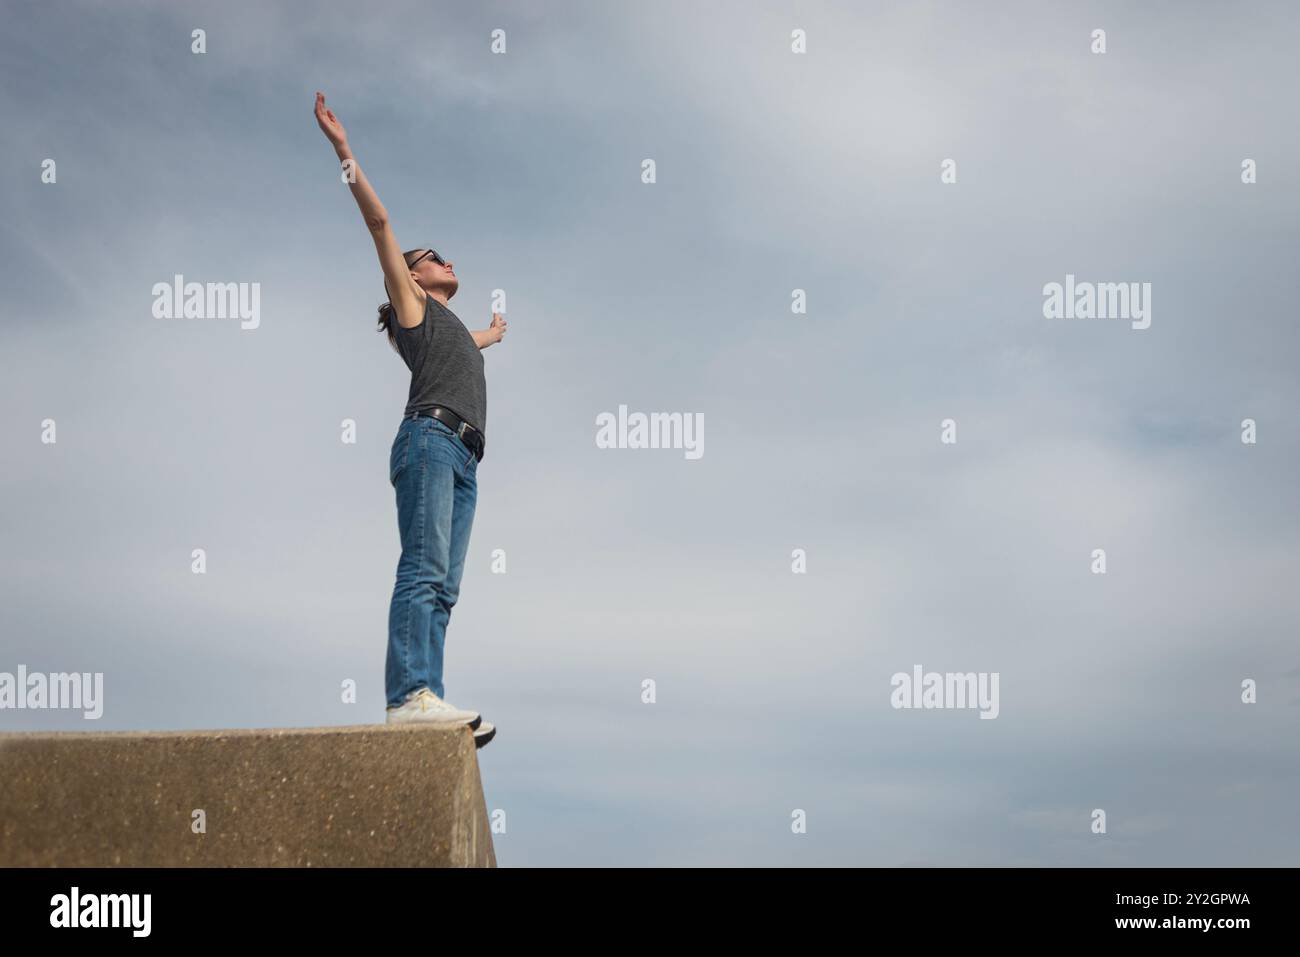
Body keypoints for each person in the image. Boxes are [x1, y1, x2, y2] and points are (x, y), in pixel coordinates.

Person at [314, 92, 506, 748]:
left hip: (463, 453)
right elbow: (379, 223)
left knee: (446, 587)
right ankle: (407, 697)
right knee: (423, 567)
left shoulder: (447, 326)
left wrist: (494, 334)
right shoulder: (412, 303)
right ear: (415, 275)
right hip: (428, 437)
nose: (450, 262)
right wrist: (344, 151)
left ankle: (429, 696)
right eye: (437, 257)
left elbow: (468, 347)